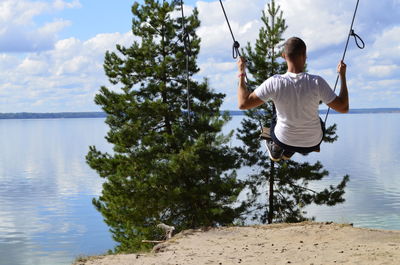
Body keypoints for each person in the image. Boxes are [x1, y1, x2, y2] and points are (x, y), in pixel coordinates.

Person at [236, 37, 349, 161]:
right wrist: (342, 75)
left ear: (284, 56)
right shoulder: (317, 82)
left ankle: (276, 148)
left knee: (275, 114)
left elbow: (243, 104)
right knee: (319, 121)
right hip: (312, 141)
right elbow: (343, 108)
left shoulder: (275, 82)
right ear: (304, 55)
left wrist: (242, 72)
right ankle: (289, 151)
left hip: (283, 139)